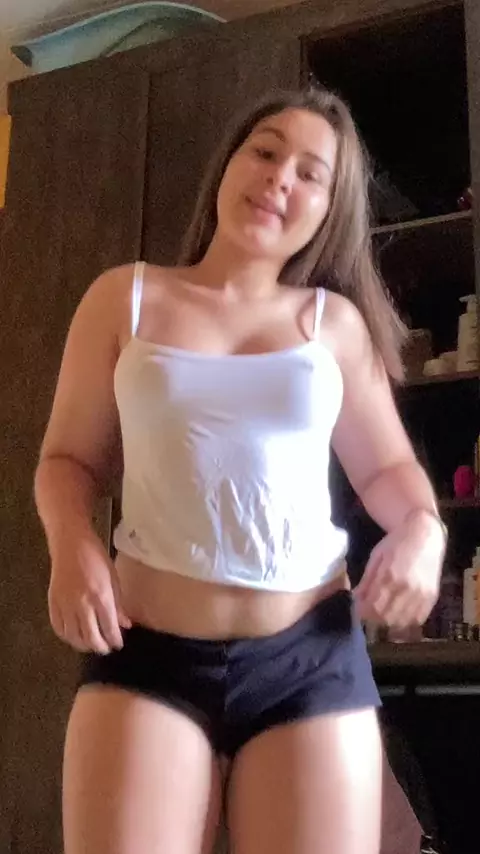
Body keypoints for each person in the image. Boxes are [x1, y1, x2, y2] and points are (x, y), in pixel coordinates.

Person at [34, 87, 446, 854]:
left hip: (309, 662)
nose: (279, 177)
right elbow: (67, 461)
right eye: (264, 150)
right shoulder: (124, 299)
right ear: (228, 164)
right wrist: (71, 545)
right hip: (150, 652)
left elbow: (387, 469)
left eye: (310, 173)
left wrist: (423, 532)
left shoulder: (332, 324)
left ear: (330, 209)